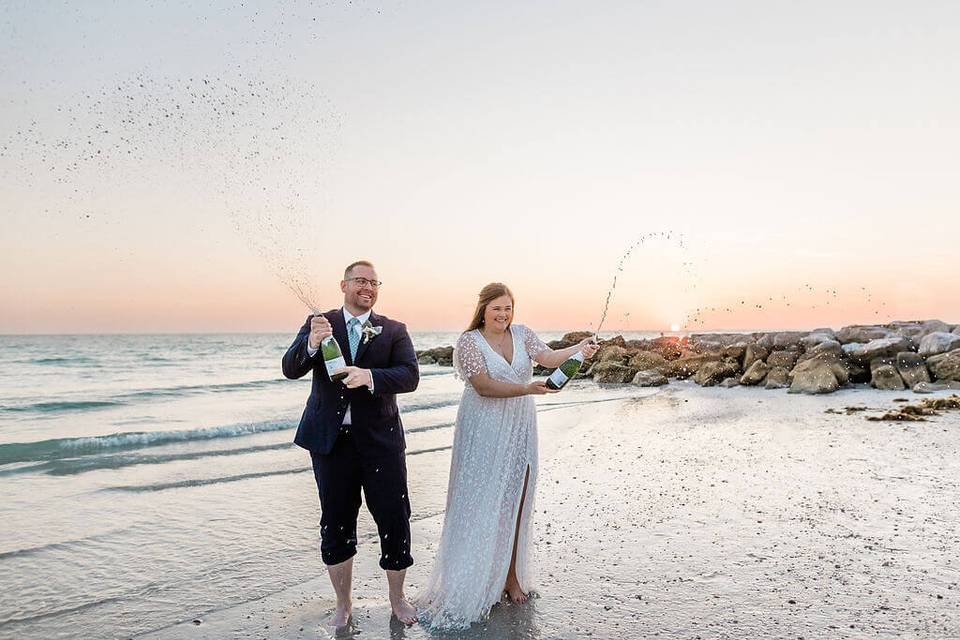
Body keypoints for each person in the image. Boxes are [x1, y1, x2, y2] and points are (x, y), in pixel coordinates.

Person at [416, 282, 599, 630]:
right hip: (482, 428)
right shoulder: (469, 341)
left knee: (517, 499)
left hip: (520, 426)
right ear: (483, 309)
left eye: (508, 308)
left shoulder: (523, 334)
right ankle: (475, 578)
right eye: (497, 308)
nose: (503, 314)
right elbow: (483, 386)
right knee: (481, 501)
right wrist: (526, 388)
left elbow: (547, 358)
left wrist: (579, 348)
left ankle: (512, 577)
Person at [282, 260, 420, 628]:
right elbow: (290, 368)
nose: (368, 287)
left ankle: (397, 598)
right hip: (331, 444)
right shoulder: (320, 324)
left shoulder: (393, 329)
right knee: (336, 522)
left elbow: (410, 375)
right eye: (360, 280)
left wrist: (370, 375)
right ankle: (343, 603)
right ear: (343, 285)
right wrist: (311, 343)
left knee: (394, 518)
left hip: (381, 442)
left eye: (374, 282)